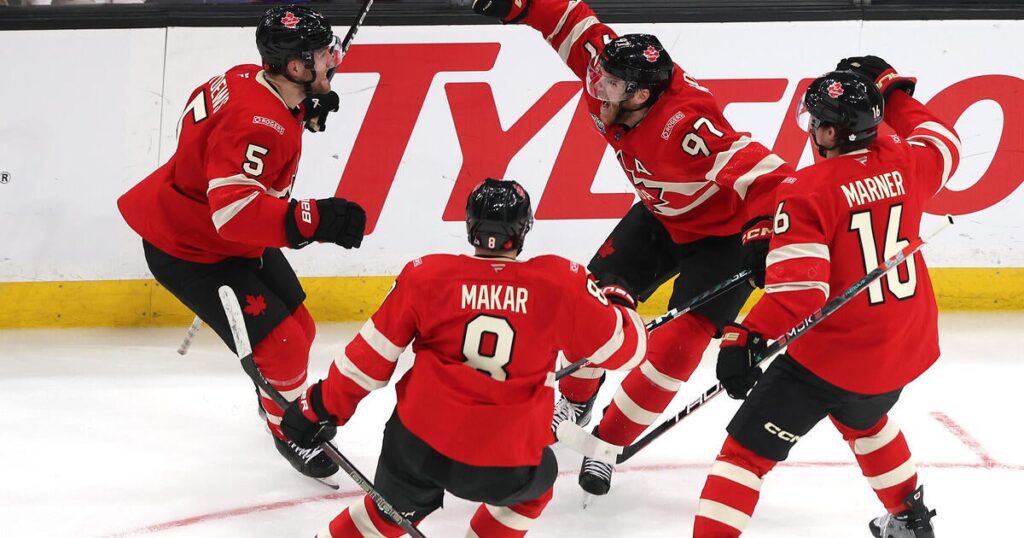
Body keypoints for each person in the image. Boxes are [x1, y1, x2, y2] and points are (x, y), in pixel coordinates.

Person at [472, 0, 795, 495]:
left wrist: (761, 233)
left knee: (676, 349)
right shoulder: (612, 71)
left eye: (610, 85)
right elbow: (572, 20)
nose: (596, 89)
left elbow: (772, 176)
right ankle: (576, 399)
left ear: (643, 95)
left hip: (722, 241)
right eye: (599, 78)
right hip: (661, 217)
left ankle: (607, 443)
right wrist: (520, 5)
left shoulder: (687, 125)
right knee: (590, 303)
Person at [279, 178, 649, 537]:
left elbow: (368, 360)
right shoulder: (560, 283)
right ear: (523, 229)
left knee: (385, 514)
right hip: (503, 460)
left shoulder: (427, 276)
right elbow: (626, 352)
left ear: (471, 227)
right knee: (536, 487)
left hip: (417, 444)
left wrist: (317, 407)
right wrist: (618, 302)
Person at [693, 58, 960, 538]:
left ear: (833, 133)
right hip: (901, 349)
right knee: (865, 418)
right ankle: (909, 521)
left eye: (816, 122)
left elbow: (801, 294)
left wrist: (744, 335)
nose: (811, 129)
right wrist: (893, 93)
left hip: (832, 360)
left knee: (743, 457)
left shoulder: (807, 190)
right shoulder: (905, 159)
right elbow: (944, 142)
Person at [117, 4, 367, 482]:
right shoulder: (258, 124)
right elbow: (233, 215)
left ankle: (272, 397)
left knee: (302, 328)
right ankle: (286, 430)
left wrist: (301, 109)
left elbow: (228, 142)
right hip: (191, 250)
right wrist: (318, 219)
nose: (333, 58)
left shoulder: (247, 78)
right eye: (321, 54)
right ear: (295, 67)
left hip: (213, 231)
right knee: (284, 345)